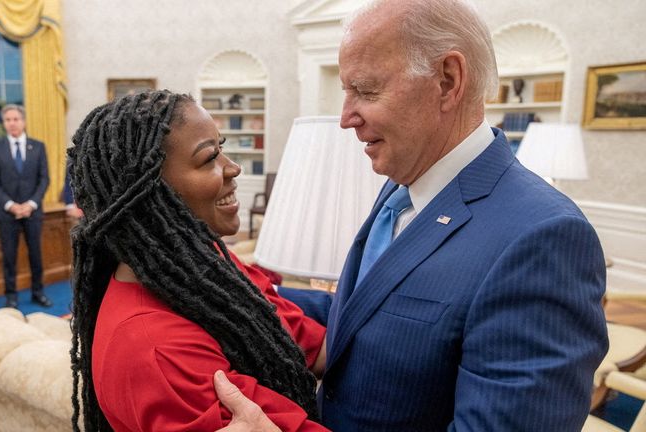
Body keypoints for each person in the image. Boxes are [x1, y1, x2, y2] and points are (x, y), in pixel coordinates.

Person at [214, 0, 608, 430]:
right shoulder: (402, 185)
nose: (346, 118)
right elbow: (369, 312)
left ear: (447, 80)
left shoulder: (543, 237)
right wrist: (225, 284)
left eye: (365, 91)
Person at [67, 90, 328, 431]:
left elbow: (317, 346)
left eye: (221, 149)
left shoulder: (210, 268)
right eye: (209, 159)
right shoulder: (157, 351)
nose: (233, 168)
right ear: (151, 197)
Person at [0, 104, 52, 309]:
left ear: (23, 121)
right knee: (9, 256)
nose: (12, 123)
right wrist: (11, 205)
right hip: (7, 214)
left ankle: (38, 292)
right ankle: (11, 296)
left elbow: (44, 179)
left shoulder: (38, 146)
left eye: (15, 119)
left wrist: (31, 204)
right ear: (4, 123)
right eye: (8, 120)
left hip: (32, 212)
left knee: (35, 254)